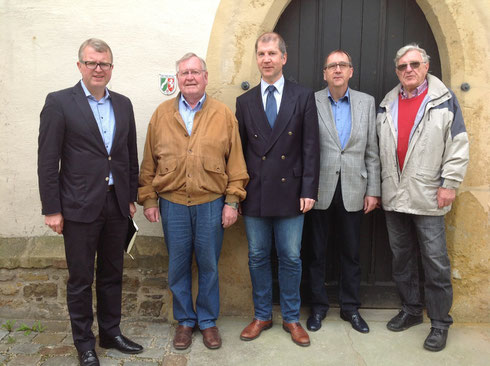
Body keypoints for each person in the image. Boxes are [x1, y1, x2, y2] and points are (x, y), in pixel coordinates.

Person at [38, 38, 142, 366]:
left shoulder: (123, 104)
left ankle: (110, 333)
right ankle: (84, 344)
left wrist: (129, 198)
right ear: (80, 66)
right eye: (92, 63)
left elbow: (128, 156)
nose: (99, 69)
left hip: (115, 206)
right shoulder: (59, 103)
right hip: (78, 207)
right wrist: (51, 208)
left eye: (105, 64)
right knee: (81, 278)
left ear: (112, 68)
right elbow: (47, 160)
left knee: (112, 272)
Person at [138, 53, 249, 351]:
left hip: (211, 203)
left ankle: (208, 321)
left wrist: (232, 202)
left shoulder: (223, 114)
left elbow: (236, 164)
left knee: (210, 265)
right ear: (177, 78)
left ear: (205, 77)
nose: (189, 77)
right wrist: (148, 199)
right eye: (184, 72)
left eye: (195, 72)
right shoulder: (162, 114)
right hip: (172, 203)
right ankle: (186, 321)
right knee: (178, 265)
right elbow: (149, 162)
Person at [377, 43, 469, 351]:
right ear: (397, 71)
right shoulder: (387, 103)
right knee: (402, 258)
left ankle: (440, 323)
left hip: (430, 194)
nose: (408, 70)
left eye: (414, 64)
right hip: (394, 195)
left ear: (426, 67)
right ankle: (412, 311)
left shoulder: (444, 101)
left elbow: (458, 145)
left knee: (436, 263)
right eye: (402, 66)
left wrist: (450, 183)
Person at [236, 32, 320, 347]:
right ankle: (261, 315)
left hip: (292, 192)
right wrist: (238, 193)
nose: (267, 59)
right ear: (256, 59)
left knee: (290, 257)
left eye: (272, 53)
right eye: (261, 54)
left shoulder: (303, 96)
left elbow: (311, 147)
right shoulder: (244, 102)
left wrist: (309, 188)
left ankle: (291, 318)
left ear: (284, 58)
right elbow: (239, 152)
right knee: (257, 256)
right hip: (255, 191)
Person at [305, 50, 380, 334]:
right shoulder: (310, 101)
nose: (337, 70)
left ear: (351, 71)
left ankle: (351, 308)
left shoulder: (366, 103)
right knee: (316, 253)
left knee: (351, 254)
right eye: (332, 66)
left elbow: (372, 151)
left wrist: (373, 189)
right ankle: (318, 308)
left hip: (354, 188)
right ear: (324, 73)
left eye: (343, 65)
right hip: (319, 189)